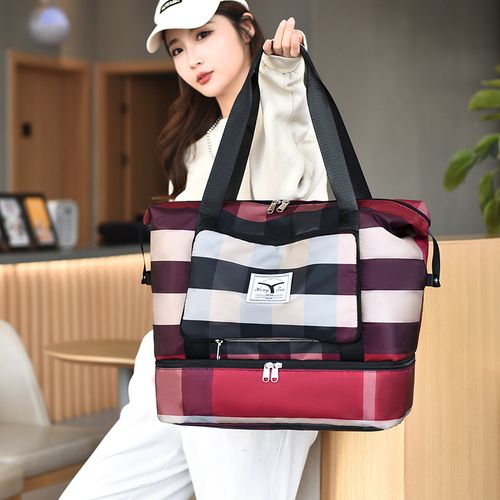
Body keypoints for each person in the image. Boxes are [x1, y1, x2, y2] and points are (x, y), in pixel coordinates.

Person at [60, 1, 330, 498]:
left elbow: (285, 213)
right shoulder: (192, 146)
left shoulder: (285, 118)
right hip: (177, 351)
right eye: (177, 49)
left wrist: (283, 82)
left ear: (246, 29)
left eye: (204, 35)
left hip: (257, 355)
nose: (192, 59)